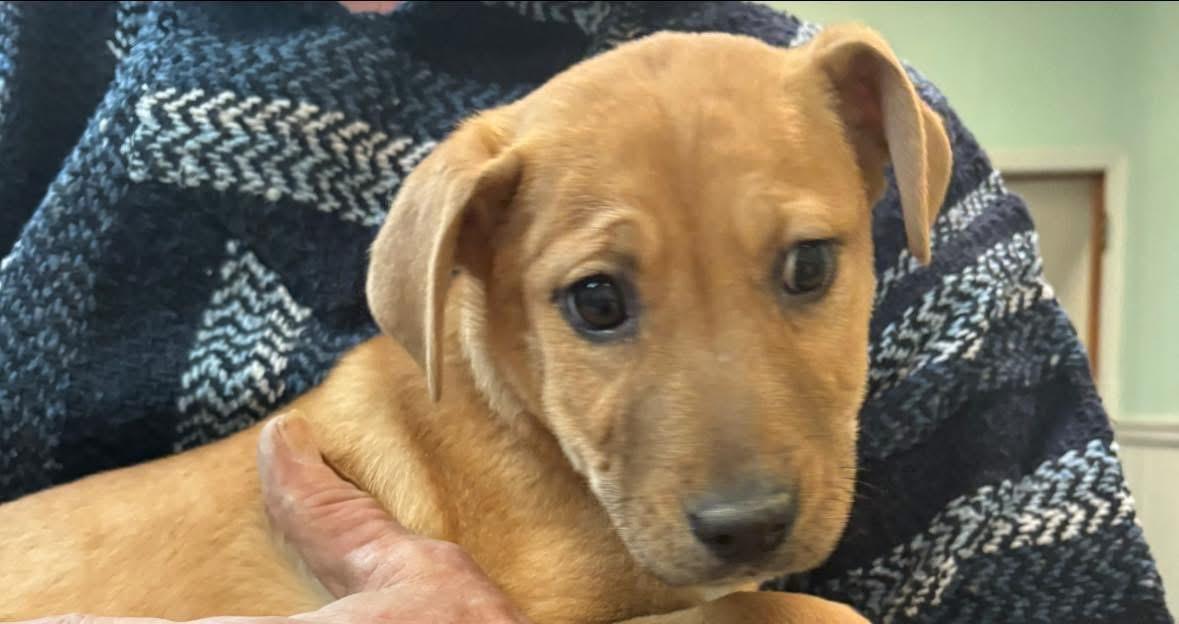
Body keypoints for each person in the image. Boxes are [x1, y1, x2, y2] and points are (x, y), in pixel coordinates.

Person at [0, 1, 1170, 622]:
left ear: (883, 155)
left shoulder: (831, 98)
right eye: (601, 302)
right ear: (462, 265)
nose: (740, 485)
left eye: (804, 269)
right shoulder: (52, 48)